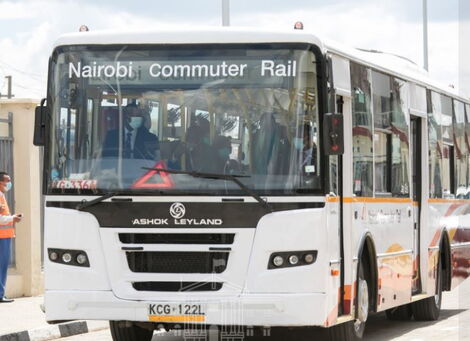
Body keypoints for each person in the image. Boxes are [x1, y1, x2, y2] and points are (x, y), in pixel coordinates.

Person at [0, 172, 22, 303]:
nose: (9, 183)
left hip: (4, 237)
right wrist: (13, 218)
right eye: (7, 181)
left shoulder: (2, 196)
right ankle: (0, 294)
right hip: (2, 238)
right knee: (2, 266)